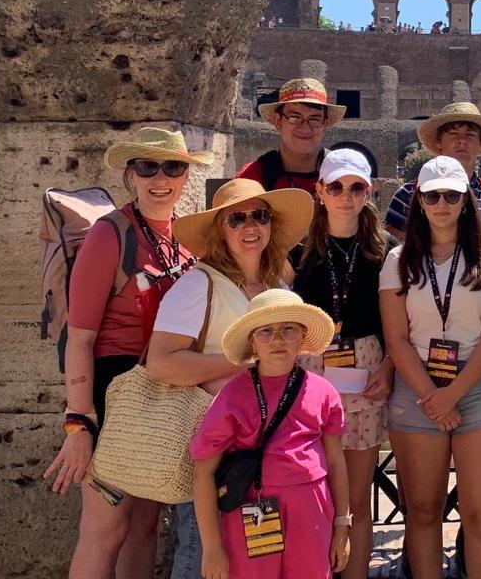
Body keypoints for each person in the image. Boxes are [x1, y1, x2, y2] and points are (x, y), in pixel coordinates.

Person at [46, 128, 213, 579]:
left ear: (187, 175)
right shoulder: (109, 236)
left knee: (143, 528)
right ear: (131, 175)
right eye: (147, 167)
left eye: (173, 167)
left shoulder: (185, 236)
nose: (161, 178)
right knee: (104, 531)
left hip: (161, 393)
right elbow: (81, 339)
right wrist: (79, 422)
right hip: (114, 394)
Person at [151, 177, 313, 579]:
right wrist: (243, 366)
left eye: (259, 215)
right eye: (236, 219)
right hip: (216, 446)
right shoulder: (198, 285)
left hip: (267, 446)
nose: (249, 226)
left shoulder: (276, 284)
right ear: (220, 231)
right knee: (201, 557)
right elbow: (161, 362)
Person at [380, 156, 481, 579]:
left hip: (476, 387)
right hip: (419, 385)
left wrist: (450, 396)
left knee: (480, 517)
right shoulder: (399, 260)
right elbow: (397, 338)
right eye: (433, 195)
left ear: (465, 201)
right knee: (421, 512)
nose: (441, 203)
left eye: (451, 195)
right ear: (419, 200)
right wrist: (431, 396)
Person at [191, 290, 350, 579]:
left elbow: (336, 463)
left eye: (288, 329)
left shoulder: (323, 392)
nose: (277, 340)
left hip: (312, 511)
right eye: (265, 332)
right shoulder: (232, 396)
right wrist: (212, 547)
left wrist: (342, 524)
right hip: (251, 511)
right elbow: (203, 471)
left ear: (302, 336)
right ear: (252, 340)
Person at [295, 149, 396, 579]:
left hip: (367, 365)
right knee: (312, 489)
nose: (345, 196)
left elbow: (399, 320)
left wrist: (390, 366)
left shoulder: (387, 251)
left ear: (368, 192)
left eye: (355, 187)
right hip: (311, 366)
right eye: (335, 187)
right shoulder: (299, 251)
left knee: (357, 496)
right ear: (320, 191)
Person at [386, 102, 481, 239]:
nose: (461, 140)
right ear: (439, 141)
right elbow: (391, 242)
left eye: (470, 135)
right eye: (453, 134)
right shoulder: (407, 194)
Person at [238, 78, 347, 194]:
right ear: (278, 121)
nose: (305, 127)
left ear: (324, 125)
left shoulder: (342, 173)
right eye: (295, 117)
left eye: (314, 119)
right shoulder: (253, 176)